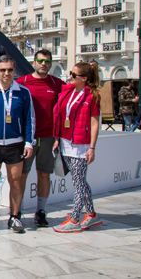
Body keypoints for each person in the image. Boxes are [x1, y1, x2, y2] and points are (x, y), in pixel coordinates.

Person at [0, 55, 35, 234]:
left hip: (15, 144)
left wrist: (29, 142)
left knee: (16, 182)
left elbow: (29, 119)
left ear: (14, 70)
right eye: (3, 70)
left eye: (10, 70)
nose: (6, 73)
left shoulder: (23, 92)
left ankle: (14, 217)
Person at [16, 49, 65, 227]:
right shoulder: (22, 82)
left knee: (44, 175)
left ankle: (41, 211)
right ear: (34, 62)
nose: (44, 64)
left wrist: (59, 136)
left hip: (48, 137)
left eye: (47, 61)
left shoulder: (57, 84)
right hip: (26, 138)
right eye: (40, 61)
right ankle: (17, 211)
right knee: (21, 175)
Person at [52, 62, 102, 233]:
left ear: (84, 78)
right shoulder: (67, 92)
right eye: (70, 73)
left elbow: (94, 123)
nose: (70, 76)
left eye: (74, 75)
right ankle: (92, 214)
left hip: (81, 145)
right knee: (79, 181)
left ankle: (74, 219)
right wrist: (57, 138)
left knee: (78, 183)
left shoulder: (92, 96)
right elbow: (59, 116)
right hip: (65, 142)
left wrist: (92, 147)